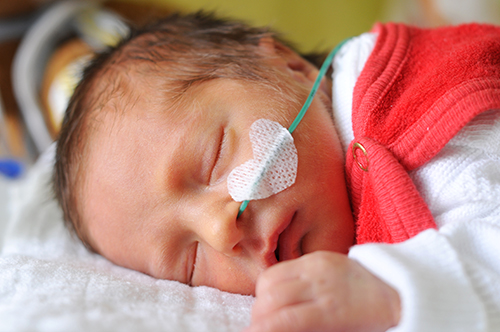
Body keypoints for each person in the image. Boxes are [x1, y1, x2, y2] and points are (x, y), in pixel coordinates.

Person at [53, 11, 500, 332]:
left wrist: (394, 291)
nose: (219, 230)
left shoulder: (418, 98)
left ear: (287, 66)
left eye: (213, 158)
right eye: (189, 264)